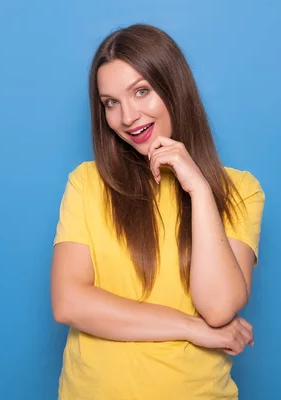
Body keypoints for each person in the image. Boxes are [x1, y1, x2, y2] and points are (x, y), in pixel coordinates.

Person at [50, 23, 265, 400]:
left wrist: (199, 189)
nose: (128, 117)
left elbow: (217, 308)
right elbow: (70, 302)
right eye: (111, 103)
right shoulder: (87, 183)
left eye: (141, 92)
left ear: (174, 87)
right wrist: (190, 328)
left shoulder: (240, 191)